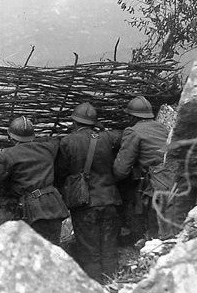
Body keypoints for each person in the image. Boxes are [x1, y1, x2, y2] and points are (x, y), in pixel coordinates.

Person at [55, 102, 122, 283]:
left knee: (89, 252)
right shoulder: (108, 138)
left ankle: (94, 287)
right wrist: (100, 128)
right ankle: (112, 285)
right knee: (109, 250)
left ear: (75, 123)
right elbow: (122, 136)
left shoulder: (68, 141)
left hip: (85, 204)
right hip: (110, 201)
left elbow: (60, 173)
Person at [0, 117, 69, 245]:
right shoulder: (48, 148)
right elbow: (58, 141)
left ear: (11, 138)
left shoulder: (7, 155)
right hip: (53, 206)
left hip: (31, 211)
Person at [113, 96, 172, 238]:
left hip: (157, 185)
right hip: (172, 180)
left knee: (157, 232)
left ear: (132, 117)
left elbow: (120, 170)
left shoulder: (133, 131)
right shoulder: (162, 128)